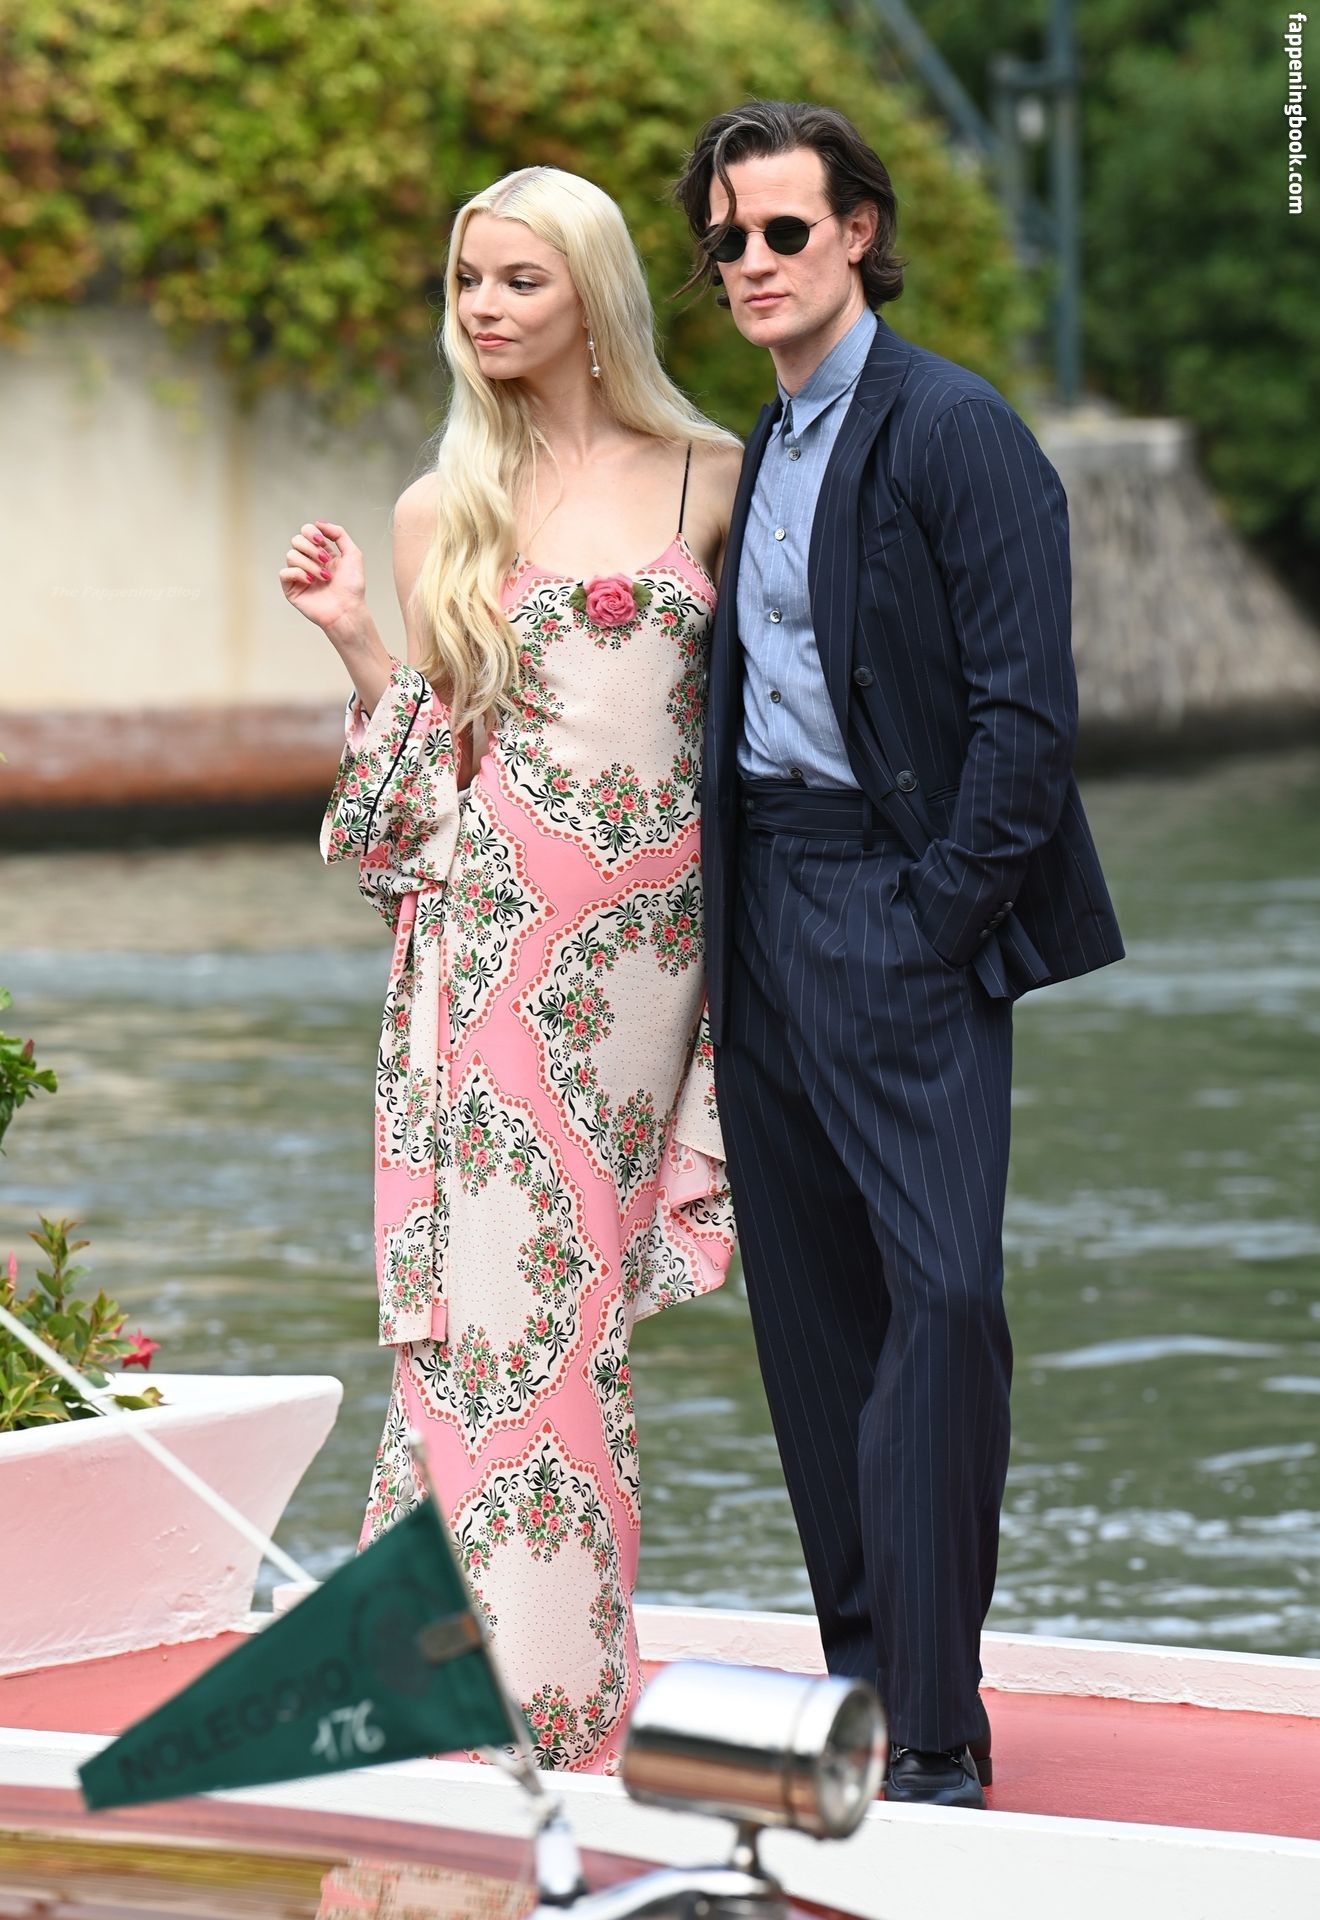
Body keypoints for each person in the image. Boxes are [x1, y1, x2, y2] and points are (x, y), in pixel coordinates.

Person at [673, 101, 1125, 1807]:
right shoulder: (765, 439)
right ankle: (867, 1688)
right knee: (815, 1327)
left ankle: (940, 1725)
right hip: (762, 912)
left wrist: (935, 924)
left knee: (943, 1304)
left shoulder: (957, 427)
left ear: (858, 230)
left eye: (785, 230)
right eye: (727, 238)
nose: (753, 262)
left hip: (898, 908)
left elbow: (1028, 721)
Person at [280, 165, 743, 1773]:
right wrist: (357, 638)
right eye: (469, 279)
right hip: (489, 958)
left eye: (519, 280)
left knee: (576, 1308)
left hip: (657, 967)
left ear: (593, 296)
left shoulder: (714, 475)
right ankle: (525, 1704)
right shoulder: (442, 508)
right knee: (500, 1321)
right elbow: (427, 788)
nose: (484, 306)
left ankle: (503, 1684)